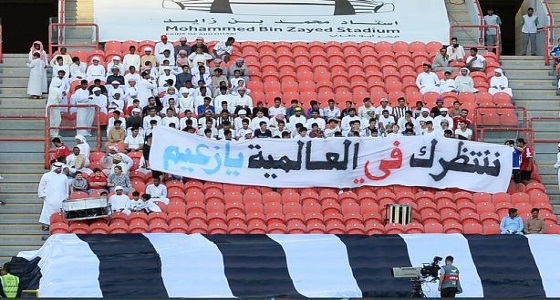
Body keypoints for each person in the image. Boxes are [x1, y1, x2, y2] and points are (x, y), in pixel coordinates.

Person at [38, 162, 69, 231]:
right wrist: (42, 194)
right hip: (49, 197)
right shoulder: (46, 175)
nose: (59, 169)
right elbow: (41, 186)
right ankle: (46, 225)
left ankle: (59, 224)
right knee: (47, 212)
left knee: (60, 211)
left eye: (60, 168)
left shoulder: (64, 177)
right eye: (57, 168)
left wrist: (66, 196)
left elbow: (66, 188)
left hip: (61, 198)